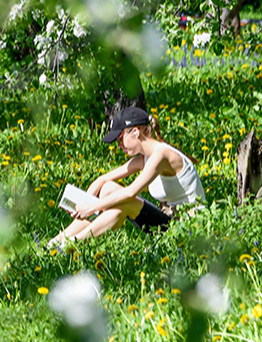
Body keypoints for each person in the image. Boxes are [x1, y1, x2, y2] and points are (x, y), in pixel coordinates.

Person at [45, 106, 205, 247]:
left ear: (135, 132)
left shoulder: (162, 155)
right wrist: (83, 203)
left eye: (120, 139)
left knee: (126, 202)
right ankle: (56, 242)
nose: (119, 145)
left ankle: (71, 245)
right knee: (107, 188)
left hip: (188, 229)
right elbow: (102, 180)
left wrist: (93, 207)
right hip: (169, 221)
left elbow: (131, 192)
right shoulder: (146, 158)